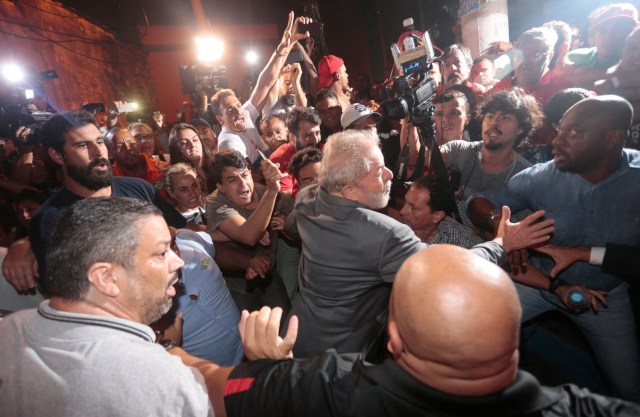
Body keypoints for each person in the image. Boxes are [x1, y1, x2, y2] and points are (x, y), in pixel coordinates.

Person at [207, 246, 640, 416]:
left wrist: (269, 371)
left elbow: (207, 385)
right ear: (513, 337)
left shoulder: (327, 390)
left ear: (393, 340)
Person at [283, 129, 554, 359]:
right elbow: (452, 269)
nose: (390, 174)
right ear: (349, 191)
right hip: (337, 352)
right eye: (378, 172)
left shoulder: (308, 196)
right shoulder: (385, 235)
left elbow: (291, 227)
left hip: (295, 328)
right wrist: (501, 243)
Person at [468, 95, 640, 401]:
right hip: (538, 284)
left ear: (612, 138)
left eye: (573, 133)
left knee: (629, 391)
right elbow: (477, 201)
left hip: (604, 299)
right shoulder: (543, 176)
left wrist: (584, 254)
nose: (556, 142)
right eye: (559, 130)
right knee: (473, 336)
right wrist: (503, 226)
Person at [0, 197, 213, 416]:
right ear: (106, 278)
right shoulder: (163, 381)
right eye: (161, 253)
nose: (178, 262)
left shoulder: (9, 328)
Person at [2, 110, 187, 292]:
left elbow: (181, 234)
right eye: (83, 145)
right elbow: (79, 299)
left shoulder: (139, 187)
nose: (98, 152)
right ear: (57, 155)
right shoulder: (51, 222)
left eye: (99, 141)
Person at [212, 13, 313, 164]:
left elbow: (265, 82)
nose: (238, 111)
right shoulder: (229, 142)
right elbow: (244, 179)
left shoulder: (244, 115)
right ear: (220, 120)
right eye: (229, 110)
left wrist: (286, 44)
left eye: (238, 105)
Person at [206, 149, 292, 313]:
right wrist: (272, 190)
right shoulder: (216, 203)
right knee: (248, 331)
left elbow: (299, 220)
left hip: (268, 276)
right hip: (237, 284)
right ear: (220, 187)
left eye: (244, 175)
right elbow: (248, 235)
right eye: (232, 179)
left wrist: (286, 224)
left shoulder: (263, 193)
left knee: (285, 323)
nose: (242, 183)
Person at [440, 88, 540, 227]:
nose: (494, 122)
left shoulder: (527, 177)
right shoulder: (462, 150)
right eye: (490, 116)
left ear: (521, 128)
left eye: (505, 118)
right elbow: (421, 158)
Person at [400, 176, 483, 248]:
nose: (402, 211)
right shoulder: (392, 225)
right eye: (405, 202)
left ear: (437, 216)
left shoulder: (462, 244)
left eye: (413, 208)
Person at [268, 106, 321, 197]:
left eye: (317, 133)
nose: (315, 140)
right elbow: (287, 199)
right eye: (308, 135)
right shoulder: (280, 159)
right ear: (292, 137)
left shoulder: (324, 148)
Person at [107, 127, 168, 194]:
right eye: (119, 146)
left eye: (131, 143)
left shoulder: (164, 169)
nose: (128, 148)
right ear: (109, 154)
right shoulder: (109, 182)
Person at [168, 123, 215, 192]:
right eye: (184, 143)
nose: (192, 145)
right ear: (176, 149)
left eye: (195, 140)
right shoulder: (178, 177)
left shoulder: (217, 163)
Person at [164, 163, 207, 227]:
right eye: (183, 190)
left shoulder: (213, 206)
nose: (192, 194)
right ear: (171, 192)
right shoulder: (170, 223)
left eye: (195, 186)